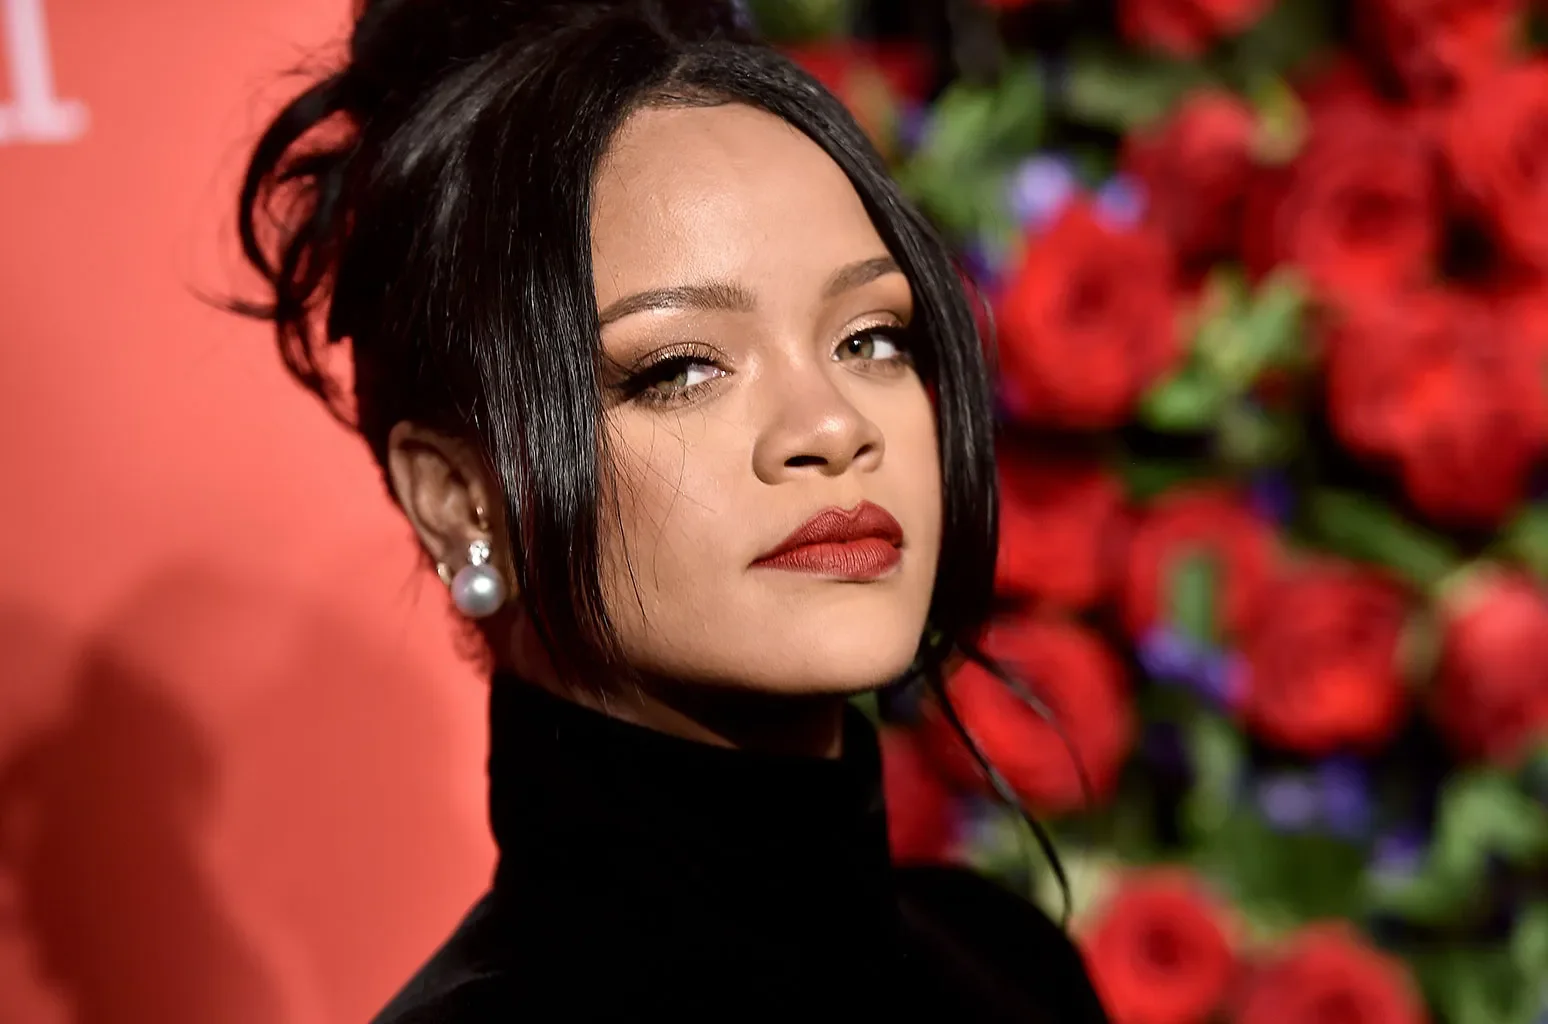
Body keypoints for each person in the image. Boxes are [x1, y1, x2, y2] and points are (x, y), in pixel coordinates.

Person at [234, 1, 1111, 1020]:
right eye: (681, 368)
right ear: (458, 497)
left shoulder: (1011, 962)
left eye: (870, 338)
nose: (832, 426)